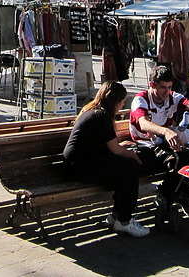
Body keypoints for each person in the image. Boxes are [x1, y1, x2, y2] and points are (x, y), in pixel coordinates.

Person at [63, 81, 149, 238]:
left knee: (124, 168)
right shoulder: (101, 116)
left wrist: (121, 147)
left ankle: (117, 215)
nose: (121, 107)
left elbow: (109, 144)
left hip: (79, 164)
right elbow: (115, 150)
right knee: (131, 167)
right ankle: (124, 220)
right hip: (81, 167)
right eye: (122, 103)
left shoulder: (93, 111)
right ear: (116, 101)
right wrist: (134, 156)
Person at [129, 64, 189, 153]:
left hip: (165, 139)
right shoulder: (141, 99)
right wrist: (166, 132)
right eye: (163, 87)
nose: (167, 92)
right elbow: (144, 124)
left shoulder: (172, 97)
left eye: (169, 87)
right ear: (152, 85)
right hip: (144, 143)